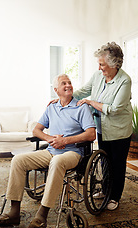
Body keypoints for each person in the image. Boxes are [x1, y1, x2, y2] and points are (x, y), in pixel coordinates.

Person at [0, 74, 96, 228]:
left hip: (72, 153)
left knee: (57, 162)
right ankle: (13, 213)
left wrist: (65, 141)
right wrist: (51, 138)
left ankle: (42, 215)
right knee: (18, 160)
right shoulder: (52, 107)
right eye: (63, 83)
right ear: (56, 90)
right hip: (50, 151)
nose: (68, 85)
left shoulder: (81, 107)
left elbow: (91, 134)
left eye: (70, 83)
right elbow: (36, 130)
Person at [50, 42, 132, 211]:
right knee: (104, 161)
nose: (100, 67)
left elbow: (115, 109)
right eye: (99, 63)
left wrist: (91, 102)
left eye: (102, 64)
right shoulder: (97, 76)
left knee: (117, 164)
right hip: (102, 128)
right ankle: (104, 190)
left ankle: (114, 197)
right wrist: (61, 97)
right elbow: (82, 91)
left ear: (114, 64)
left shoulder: (124, 81)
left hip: (119, 131)